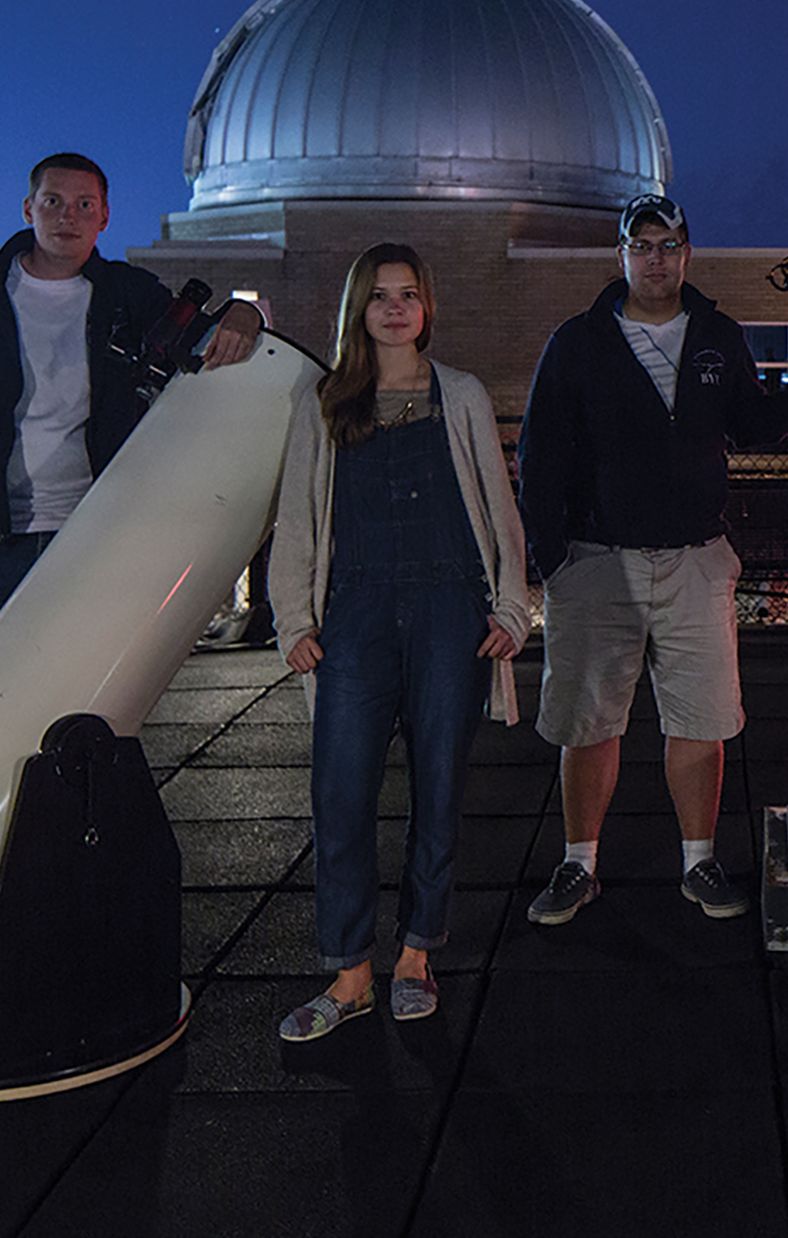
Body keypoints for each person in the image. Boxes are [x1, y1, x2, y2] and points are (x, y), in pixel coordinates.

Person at [517, 193, 788, 925]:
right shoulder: (577, 342)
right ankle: (578, 863)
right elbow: (539, 456)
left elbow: (748, 426)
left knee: (701, 718)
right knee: (588, 721)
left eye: (668, 245)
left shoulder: (718, 333)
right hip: (597, 560)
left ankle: (699, 861)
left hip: (694, 557)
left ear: (687, 253)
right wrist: (553, 556)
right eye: (642, 245)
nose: (655, 258)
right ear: (621, 255)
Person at [268, 244, 530, 1041]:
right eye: (378, 295)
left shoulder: (463, 395)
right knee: (341, 795)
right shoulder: (325, 400)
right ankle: (350, 974)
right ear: (357, 309)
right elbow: (299, 517)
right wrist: (294, 621)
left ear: (427, 306)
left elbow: (498, 505)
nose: (394, 308)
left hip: (452, 609)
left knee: (438, 789)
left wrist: (513, 609)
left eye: (408, 294)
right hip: (357, 615)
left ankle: (415, 957)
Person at [0, 152, 260, 699]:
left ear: (104, 217)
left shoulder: (127, 295)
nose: (68, 215)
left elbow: (205, 342)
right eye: (54, 202)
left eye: (84, 205)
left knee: (78, 698)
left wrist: (246, 314)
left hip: (90, 536)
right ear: (29, 209)